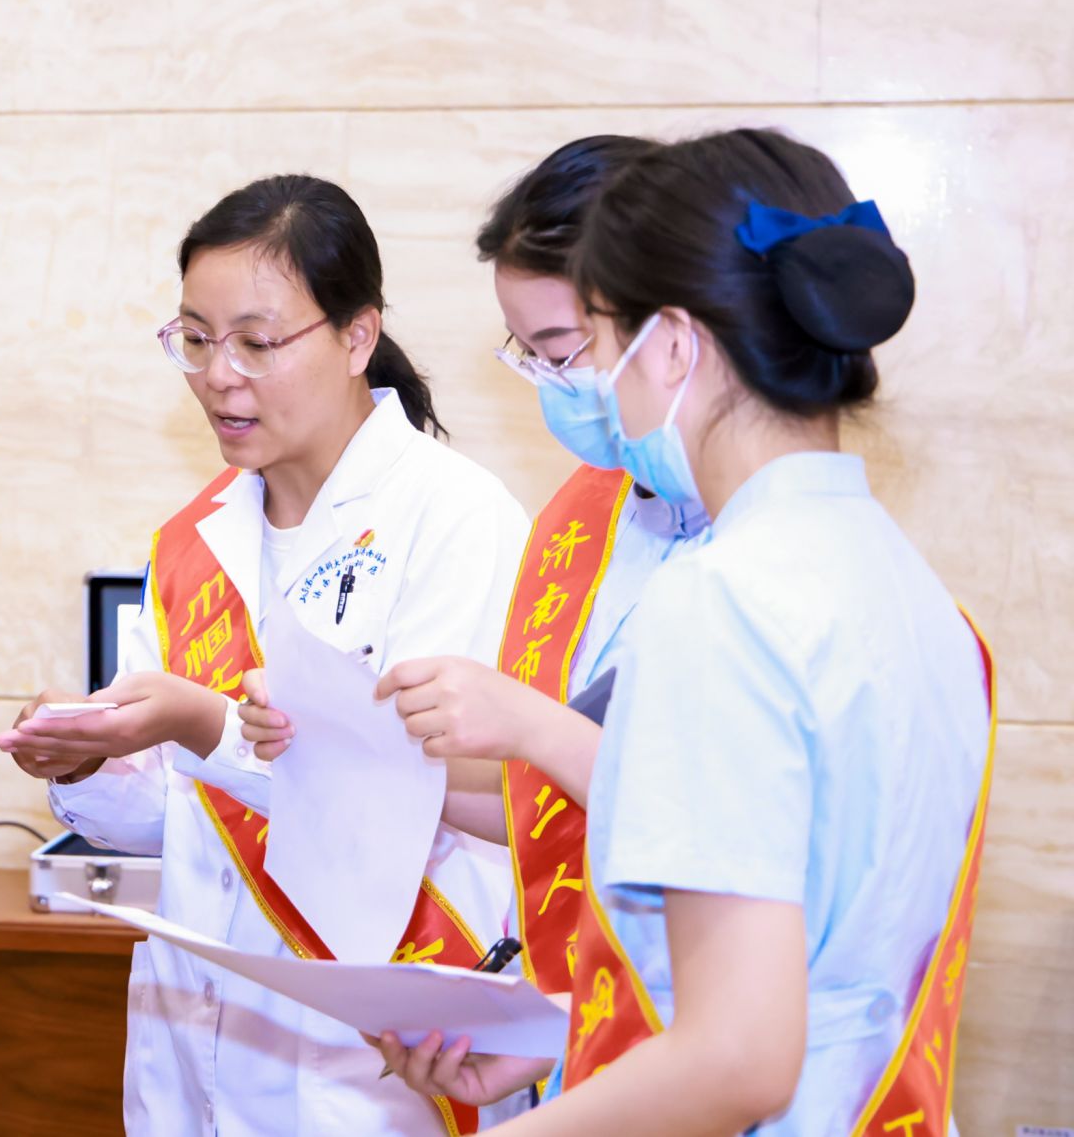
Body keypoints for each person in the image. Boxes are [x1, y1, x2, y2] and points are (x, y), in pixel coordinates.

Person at [378, 130, 993, 1135]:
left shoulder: (720, 599)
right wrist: (561, 1033)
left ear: (668, 344)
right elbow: (811, 963)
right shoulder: (918, 599)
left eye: (597, 343)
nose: (595, 386)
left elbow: (738, 1059)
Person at [0, 175, 530, 1136]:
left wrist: (202, 722)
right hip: (191, 1049)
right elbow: (180, 818)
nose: (218, 374)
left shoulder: (454, 517)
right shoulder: (193, 537)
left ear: (357, 336)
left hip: (370, 1059)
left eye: (256, 341)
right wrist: (88, 754)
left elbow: (423, 796)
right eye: (196, 339)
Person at [242, 139, 707, 1104]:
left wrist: (529, 724)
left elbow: (716, 827)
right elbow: (548, 810)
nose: (555, 387)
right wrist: (334, 739)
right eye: (530, 357)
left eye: (563, 352)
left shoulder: (774, 567)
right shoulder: (588, 522)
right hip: (602, 1034)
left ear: (677, 330)